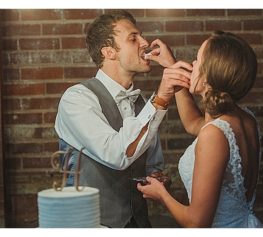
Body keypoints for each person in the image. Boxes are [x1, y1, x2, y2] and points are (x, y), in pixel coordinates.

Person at [54, 10, 182, 228]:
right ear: (109, 52)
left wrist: (158, 178)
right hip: (90, 225)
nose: (145, 42)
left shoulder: (142, 102)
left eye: (141, 36)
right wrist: (160, 100)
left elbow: (152, 164)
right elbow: (116, 155)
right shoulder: (76, 99)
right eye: (134, 38)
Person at [136, 31, 263, 228]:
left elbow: (197, 223)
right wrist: (172, 65)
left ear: (209, 75)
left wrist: (161, 194)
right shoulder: (245, 117)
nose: (192, 64)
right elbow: (192, 123)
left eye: (197, 60)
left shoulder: (214, 134)